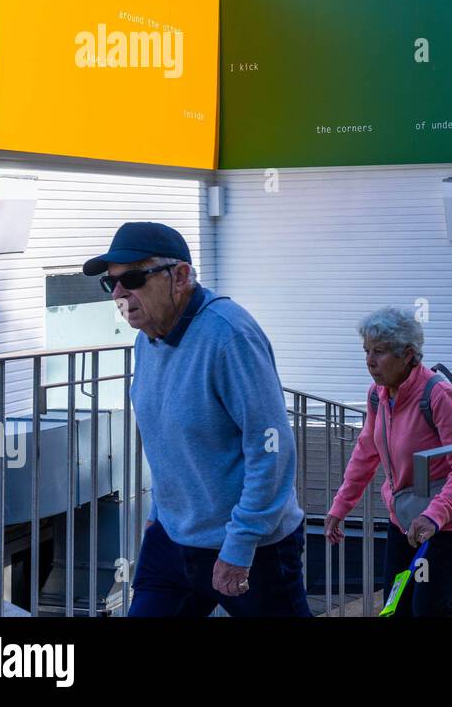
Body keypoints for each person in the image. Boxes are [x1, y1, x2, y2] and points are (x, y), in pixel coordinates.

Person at [84, 221, 309, 617]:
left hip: (250, 545)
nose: (119, 294)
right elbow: (168, 439)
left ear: (181, 276)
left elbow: (271, 449)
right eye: (111, 283)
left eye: (133, 278)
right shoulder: (146, 339)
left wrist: (239, 545)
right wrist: (157, 518)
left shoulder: (228, 336)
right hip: (172, 539)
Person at [324, 307, 452, 617]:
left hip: (446, 526)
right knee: (395, 607)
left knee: (430, 609)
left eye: (379, 352)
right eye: (367, 350)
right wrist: (340, 507)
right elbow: (366, 453)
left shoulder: (438, 395)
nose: (369, 360)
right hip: (404, 522)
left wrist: (435, 516)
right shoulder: (378, 395)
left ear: (408, 354)